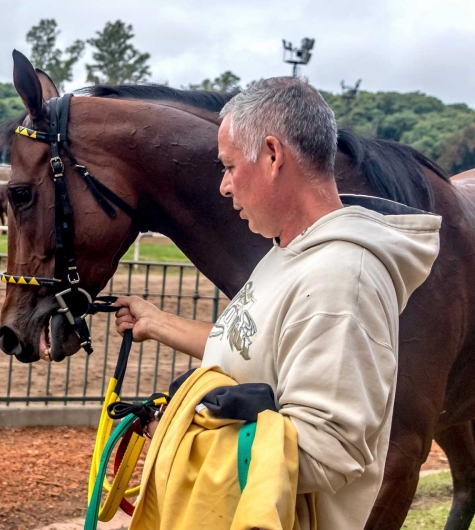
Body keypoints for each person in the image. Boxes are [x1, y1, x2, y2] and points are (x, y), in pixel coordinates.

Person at [114, 77, 441, 529]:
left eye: (229, 167)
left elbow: (328, 452)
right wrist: (158, 322)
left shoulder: (341, 278)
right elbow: (253, 348)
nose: (225, 187)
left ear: (272, 155)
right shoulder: (289, 251)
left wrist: (182, 431)